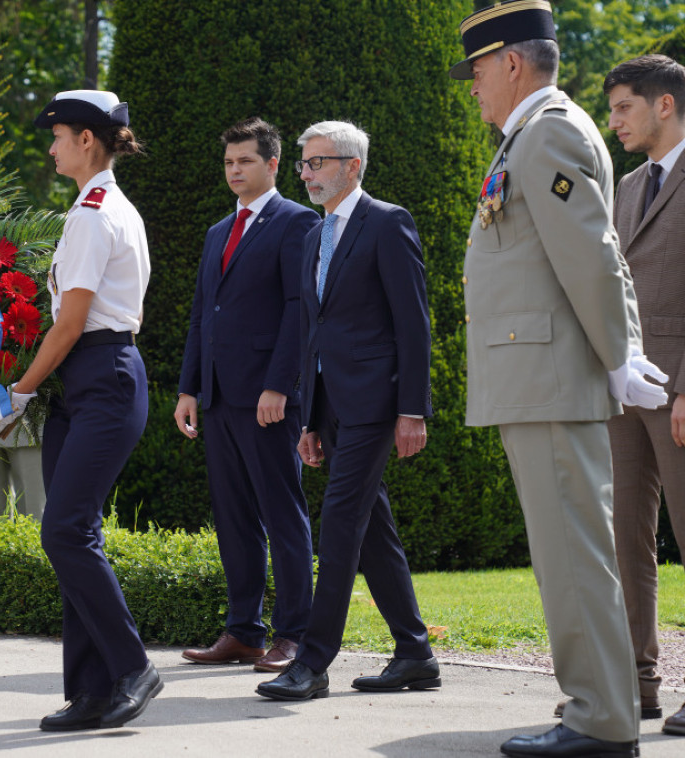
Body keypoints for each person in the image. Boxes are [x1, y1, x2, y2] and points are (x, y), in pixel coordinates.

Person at [448, 3, 669, 755]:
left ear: (511, 62)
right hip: (539, 373)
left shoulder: (549, 133)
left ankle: (601, 721)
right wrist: (621, 354)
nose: (472, 88)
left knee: (573, 555)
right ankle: (598, 710)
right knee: (569, 553)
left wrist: (619, 357)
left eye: (477, 71)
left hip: (550, 374)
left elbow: (593, 259)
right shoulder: (538, 133)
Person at [256, 120, 439, 702]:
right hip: (332, 407)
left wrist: (413, 409)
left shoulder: (388, 223)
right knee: (372, 529)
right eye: (303, 164)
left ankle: (312, 662)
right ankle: (414, 653)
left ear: (352, 166)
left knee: (338, 523)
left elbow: (413, 325)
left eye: (317, 163)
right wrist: (310, 420)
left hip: (378, 402)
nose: (305, 173)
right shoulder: (313, 235)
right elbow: (314, 329)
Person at [8, 89, 160, 732]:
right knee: (77, 532)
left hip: (100, 375)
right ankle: (91, 691)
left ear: (88, 141)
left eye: (59, 136)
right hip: (89, 379)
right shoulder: (95, 208)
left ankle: (132, 668)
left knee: (64, 530)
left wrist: (16, 391)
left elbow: (69, 325)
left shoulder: (97, 215)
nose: (51, 147)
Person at [175, 117, 318, 673]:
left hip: (268, 398)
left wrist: (279, 385)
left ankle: (296, 635)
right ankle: (243, 632)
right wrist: (189, 387)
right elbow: (199, 317)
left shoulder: (297, 222)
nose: (235, 171)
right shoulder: (217, 232)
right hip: (216, 397)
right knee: (233, 516)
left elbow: (299, 310)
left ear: (273, 164)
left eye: (246, 162)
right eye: (229, 163)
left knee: (283, 514)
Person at [604, 53, 685, 738]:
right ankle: (635, 683)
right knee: (625, 539)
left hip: (681, 386)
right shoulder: (628, 185)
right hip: (626, 389)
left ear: (664, 104)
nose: (613, 121)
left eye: (623, 106)